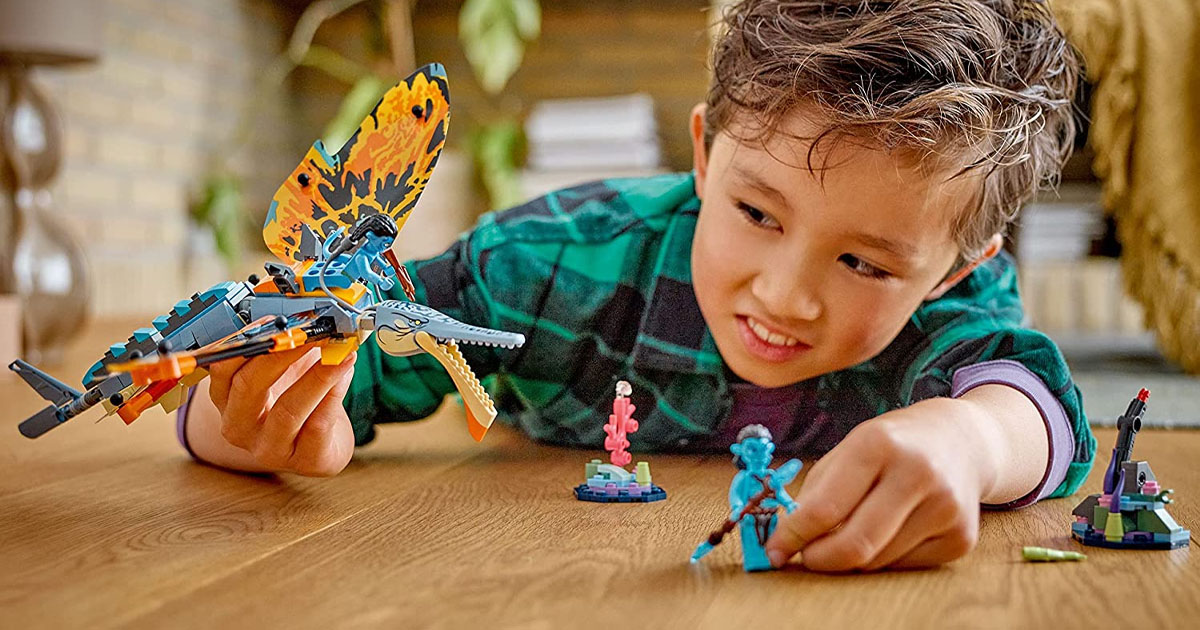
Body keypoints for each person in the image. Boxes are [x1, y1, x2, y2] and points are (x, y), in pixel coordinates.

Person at [179, 0, 1095, 572]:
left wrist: (970, 439)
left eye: (865, 263)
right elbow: (304, 363)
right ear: (703, 155)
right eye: (758, 213)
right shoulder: (542, 264)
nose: (784, 295)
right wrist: (254, 419)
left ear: (958, 267)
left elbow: (1034, 405)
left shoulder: (956, 305)